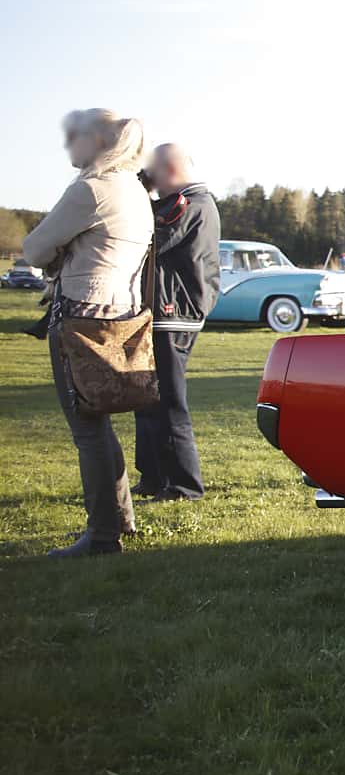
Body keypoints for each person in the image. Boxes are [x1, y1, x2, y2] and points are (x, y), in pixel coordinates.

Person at [23, 110, 154, 557]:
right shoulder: (133, 190)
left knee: (87, 429)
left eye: (74, 137)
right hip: (121, 314)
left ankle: (102, 536)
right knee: (98, 424)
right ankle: (120, 521)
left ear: (97, 142)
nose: (67, 146)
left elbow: (35, 248)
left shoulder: (90, 190)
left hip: (80, 316)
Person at [133, 144, 220, 502]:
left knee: (167, 401)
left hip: (173, 313)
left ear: (168, 170)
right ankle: (154, 476)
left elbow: (147, 237)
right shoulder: (190, 202)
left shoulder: (190, 204)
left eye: (153, 172)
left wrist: (136, 193)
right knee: (147, 398)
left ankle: (184, 485)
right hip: (169, 311)